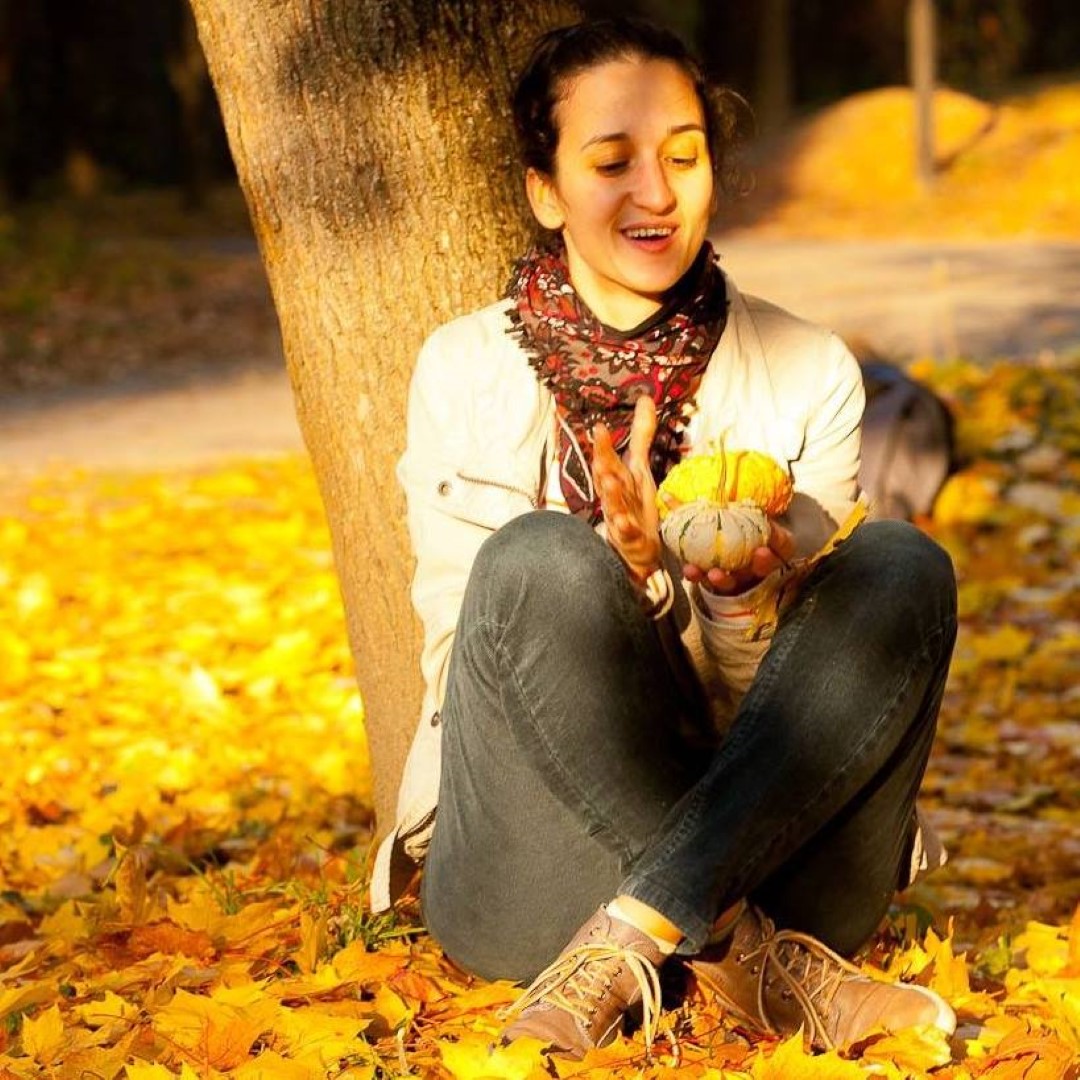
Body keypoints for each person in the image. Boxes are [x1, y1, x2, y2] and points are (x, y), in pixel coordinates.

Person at [370, 15, 959, 1059]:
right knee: (538, 562)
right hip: (531, 871)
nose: (656, 192)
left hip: (778, 842)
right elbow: (476, 670)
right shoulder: (460, 371)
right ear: (543, 190)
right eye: (612, 161)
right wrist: (632, 577)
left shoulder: (807, 369)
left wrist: (728, 599)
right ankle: (748, 957)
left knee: (903, 565)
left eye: (683, 157)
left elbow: (800, 715)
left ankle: (646, 927)